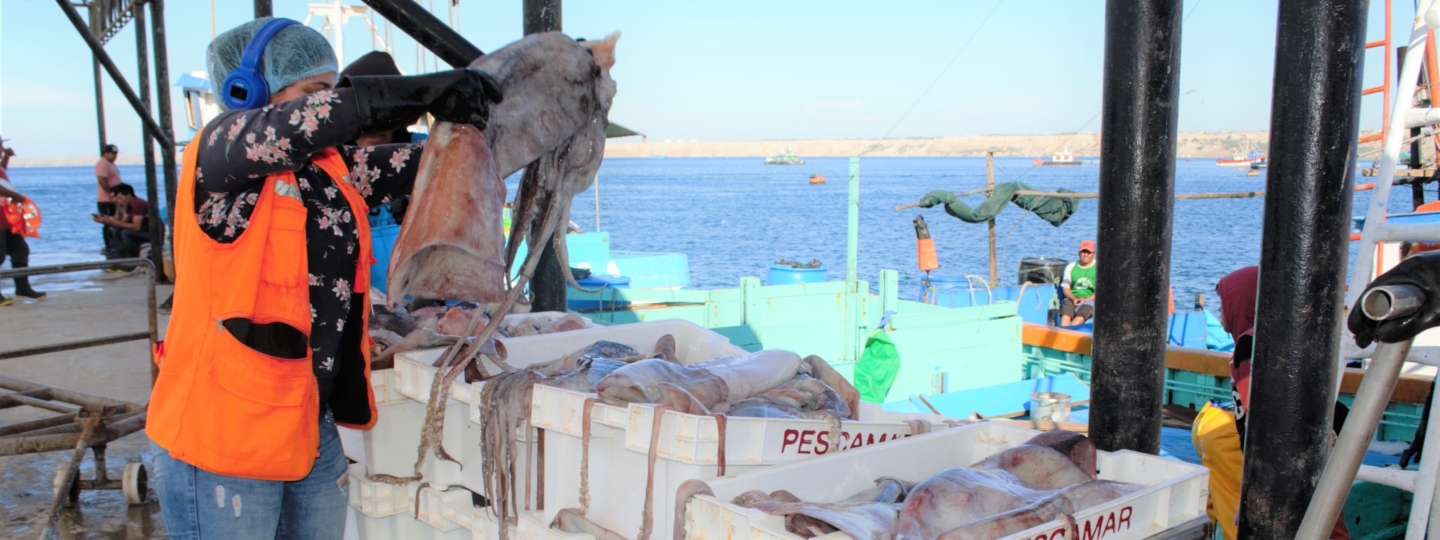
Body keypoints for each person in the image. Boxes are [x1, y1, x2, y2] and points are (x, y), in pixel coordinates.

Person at [145, 18, 500, 540]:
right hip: (224, 432)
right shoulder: (219, 154)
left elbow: (418, 163)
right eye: (315, 91)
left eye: (329, 91)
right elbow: (308, 123)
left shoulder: (325, 170)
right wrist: (424, 91)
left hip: (308, 421)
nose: (327, 105)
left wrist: (487, 132)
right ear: (249, 89)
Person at [1193, 266, 1349, 540]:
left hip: (1282, 462)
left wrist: (1252, 493)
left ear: (1242, 301)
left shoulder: (1248, 345)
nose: (1220, 310)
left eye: (1224, 301)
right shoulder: (1278, 335)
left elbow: (1262, 420)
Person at [0, 136, 46, 305]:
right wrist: (14, 195)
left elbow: (1, 174)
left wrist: (6, 158)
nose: (2, 148)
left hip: (7, 217)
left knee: (20, 251)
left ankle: (22, 288)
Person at [91, 183, 154, 260]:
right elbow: (123, 222)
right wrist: (106, 220)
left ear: (128, 195)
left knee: (125, 233)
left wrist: (111, 222)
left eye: (120, 198)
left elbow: (136, 227)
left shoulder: (138, 204)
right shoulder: (128, 205)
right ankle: (122, 258)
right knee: (116, 230)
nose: (117, 201)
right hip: (142, 232)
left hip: (152, 235)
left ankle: (133, 259)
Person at [1060, 239, 1097, 325]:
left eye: (1089, 252)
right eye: (1083, 252)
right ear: (1079, 253)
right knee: (1066, 314)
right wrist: (1074, 298)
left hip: (1090, 300)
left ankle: (1071, 331)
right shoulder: (1070, 267)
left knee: (1081, 315)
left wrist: (1086, 299)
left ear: (1093, 254)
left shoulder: (1098, 268)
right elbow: (1066, 288)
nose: (1085, 255)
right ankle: (1064, 331)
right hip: (1073, 298)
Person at [94, 144, 122, 249]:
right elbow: (102, 179)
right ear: (106, 153)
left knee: (114, 222)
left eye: (116, 154)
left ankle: (114, 244)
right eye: (113, 153)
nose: (115, 156)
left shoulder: (110, 164)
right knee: (108, 222)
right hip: (106, 200)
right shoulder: (103, 163)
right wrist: (111, 193)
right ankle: (109, 246)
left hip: (113, 200)